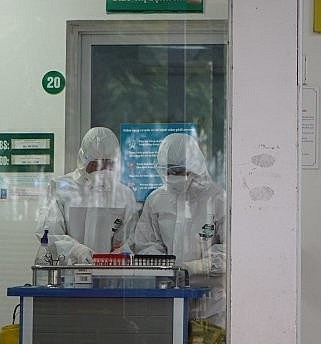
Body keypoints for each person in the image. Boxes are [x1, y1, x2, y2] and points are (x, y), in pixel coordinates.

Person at [133, 133, 226, 328]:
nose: (173, 176)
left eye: (179, 170)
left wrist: (198, 266)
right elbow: (146, 243)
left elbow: (232, 250)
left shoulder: (218, 199)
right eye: (169, 171)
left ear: (194, 166)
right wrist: (165, 268)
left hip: (212, 306)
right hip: (169, 300)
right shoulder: (156, 200)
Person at [35, 127, 139, 264]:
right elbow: (48, 232)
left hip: (109, 274)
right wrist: (75, 250)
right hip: (66, 273)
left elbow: (130, 238)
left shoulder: (124, 195)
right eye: (96, 165)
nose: (101, 170)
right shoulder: (60, 188)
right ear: (83, 160)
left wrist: (117, 255)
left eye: (107, 165)